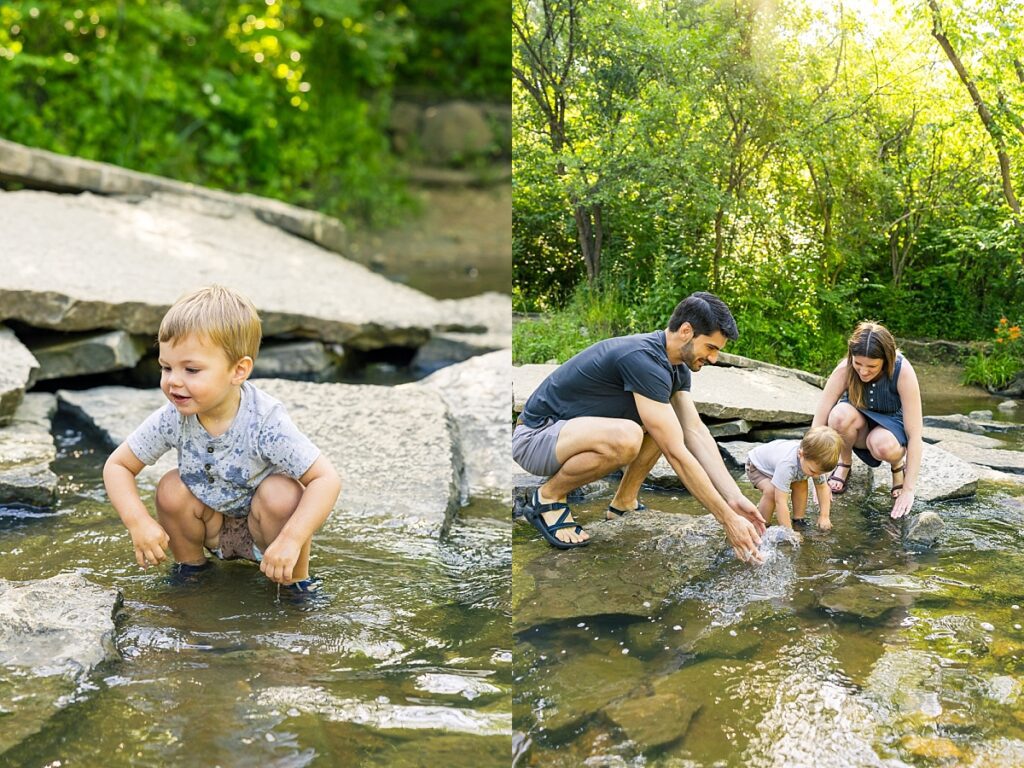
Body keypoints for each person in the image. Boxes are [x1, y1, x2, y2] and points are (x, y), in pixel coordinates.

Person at [103, 285, 342, 595]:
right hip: (212, 527)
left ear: (238, 370)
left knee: (282, 493)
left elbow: (326, 479)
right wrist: (138, 522)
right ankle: (191, 574)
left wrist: (291, 539)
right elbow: (118, 465)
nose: (174, 380)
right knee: (171, 487)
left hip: (266, 531)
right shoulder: (174, 416)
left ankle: (296, 585)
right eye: (166, 367)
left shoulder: (264, 421)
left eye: (191, 369)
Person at [513, 291, 766, 562]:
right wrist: (727, 520)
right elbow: (676, 454)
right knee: (629, 436)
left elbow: (695, 432)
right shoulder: (642, 358)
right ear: (685, 331)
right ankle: (548, 496)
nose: (714, 358)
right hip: (536, 438)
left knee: (665, 424)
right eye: (711, 347)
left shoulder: (675, 365)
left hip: (569, 437)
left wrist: (734, 498)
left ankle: (623, 502)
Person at [811, 321, 922, 518]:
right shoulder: (844, 369)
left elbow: (915, 435)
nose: (863, 371)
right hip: (856, 423)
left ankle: (897, 465)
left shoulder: (903, 371)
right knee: (838, 416)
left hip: (890, 426)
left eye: (871, 366)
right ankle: (844, 463)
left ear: (887, 360)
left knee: (882, 445)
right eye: (858, 363)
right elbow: (819, 423)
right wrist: (816, 477)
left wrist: (909, 490)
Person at [745, 426, 843, 536]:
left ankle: (798, 520)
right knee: (772, 491)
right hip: (758, 467)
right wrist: (789, 532)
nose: (816, 476)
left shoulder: (814, 464)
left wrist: (824, 516)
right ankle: (762, 525)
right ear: (801, 454)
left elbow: (822, 488)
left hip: (778, 466)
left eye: (819, 473)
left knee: (801, 482)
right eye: (813, 471)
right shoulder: (787, 465)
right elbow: (780, 501)